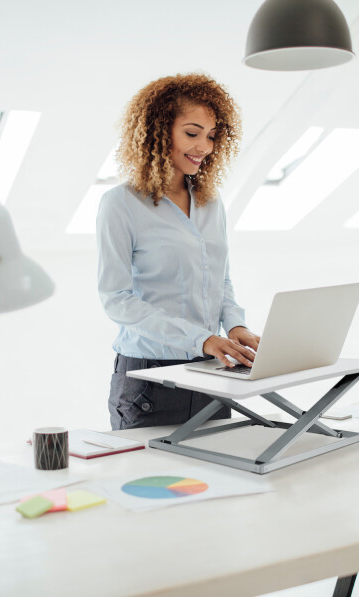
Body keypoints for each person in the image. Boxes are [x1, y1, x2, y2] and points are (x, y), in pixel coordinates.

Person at [96, 73, 260, 430]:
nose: (204, 146)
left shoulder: (211, 203)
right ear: (158, 130)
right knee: (151, 484)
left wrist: (236, 325)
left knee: (220, 479)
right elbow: (117, 300)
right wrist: (201, 339)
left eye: (212, 136)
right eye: (192, 133)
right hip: (150, 379)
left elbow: (221, 280)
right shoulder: (120, 204)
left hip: (212, 374)